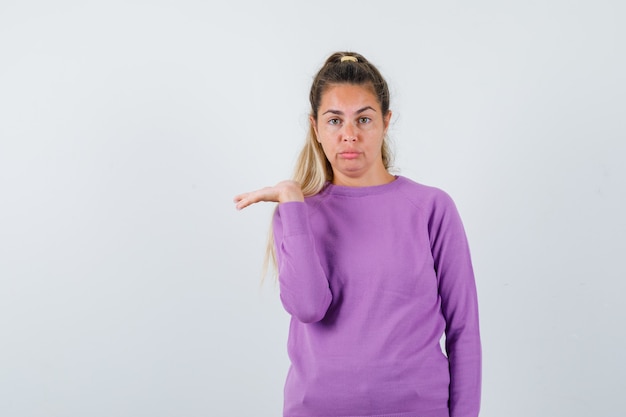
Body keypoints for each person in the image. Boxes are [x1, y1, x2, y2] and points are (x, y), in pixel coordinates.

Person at [234, 51, 481, 417]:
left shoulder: (431, 208)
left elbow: (464, 330)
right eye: (335, 120)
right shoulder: (296, 213)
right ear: (315, 127)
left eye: (363, 119)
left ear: (385, 122)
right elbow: (308, 307)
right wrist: (291, 199)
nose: (349, 135)